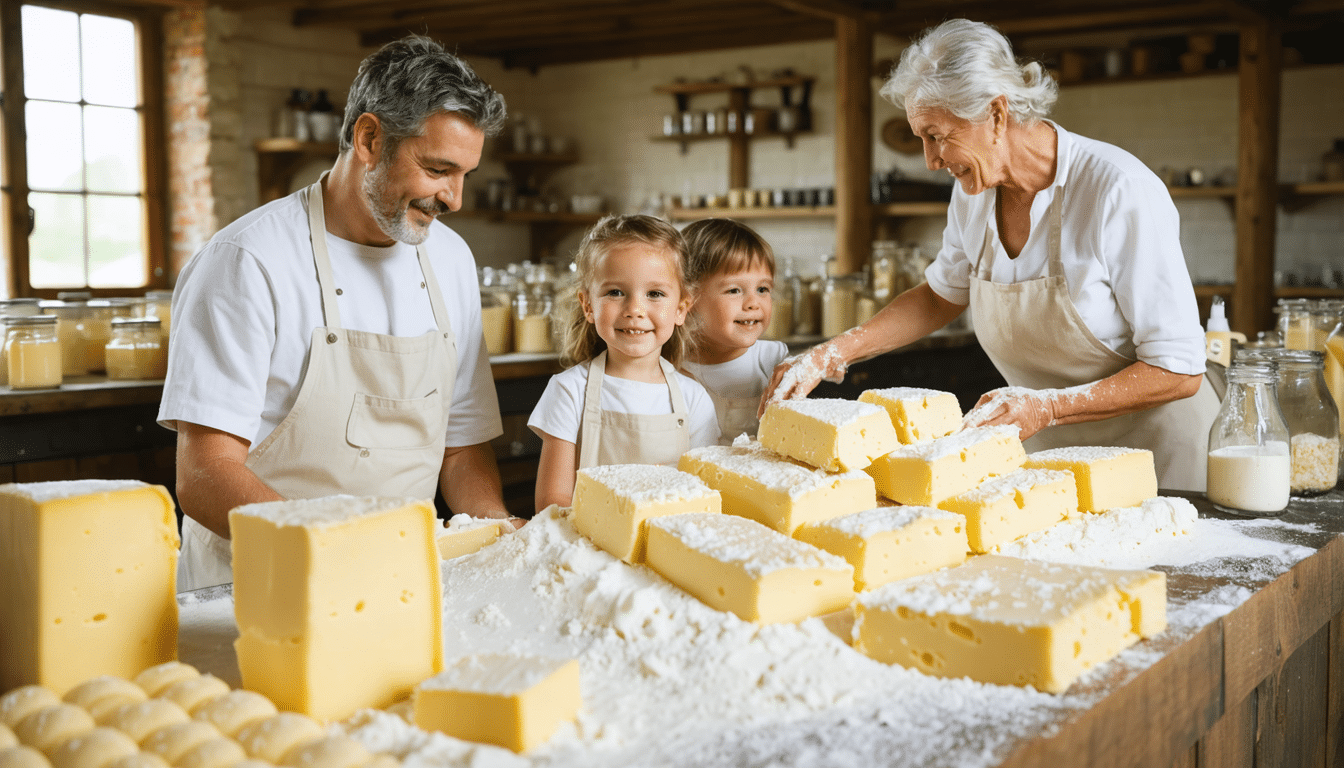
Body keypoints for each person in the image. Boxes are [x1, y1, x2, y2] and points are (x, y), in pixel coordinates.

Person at [763, 19, 1219, 491]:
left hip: (1160, 460)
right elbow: (940, 297)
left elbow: (1178, 369)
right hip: (1054, 453)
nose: (930, 160)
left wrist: (1048, 406)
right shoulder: (973, 194)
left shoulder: (1118, 190)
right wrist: (832, 352)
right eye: (921, 137)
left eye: (938, 135)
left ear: (996, 114)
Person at [159, 36, 518, 591]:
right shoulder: (248, 260)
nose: (455, 198)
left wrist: (495, 529)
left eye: (464, 174)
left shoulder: (451, 259)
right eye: (438, 168)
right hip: (260, 582)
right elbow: (206, 474)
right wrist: (328, 558)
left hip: (398, 580)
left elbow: (462, 447)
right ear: (370, 138)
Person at [528, 215, 721, 511]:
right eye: (615, 292)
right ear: (588, 305)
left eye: (655, 294)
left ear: (681, 308)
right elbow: (551, 505)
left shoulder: (694, 400)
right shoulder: (568, 391)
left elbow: (704, 497)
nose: (635, 309)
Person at [680, 218, 789, 443]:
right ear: (687, 299)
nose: (753, 303)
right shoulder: (669, 367)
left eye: (762, 289)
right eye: (734, 290)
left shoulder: (774, 361)